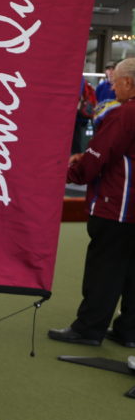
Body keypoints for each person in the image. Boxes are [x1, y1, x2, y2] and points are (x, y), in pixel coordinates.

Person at [48, 57, 135, 349]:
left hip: (118, 205)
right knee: (132, 270)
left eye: (114, 82)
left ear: (127, 83)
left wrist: (72, 171)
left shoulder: (124, 114)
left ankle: (89, 328)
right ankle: (128, 330)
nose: (112, 86)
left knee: (105, 268)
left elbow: (99, 155)